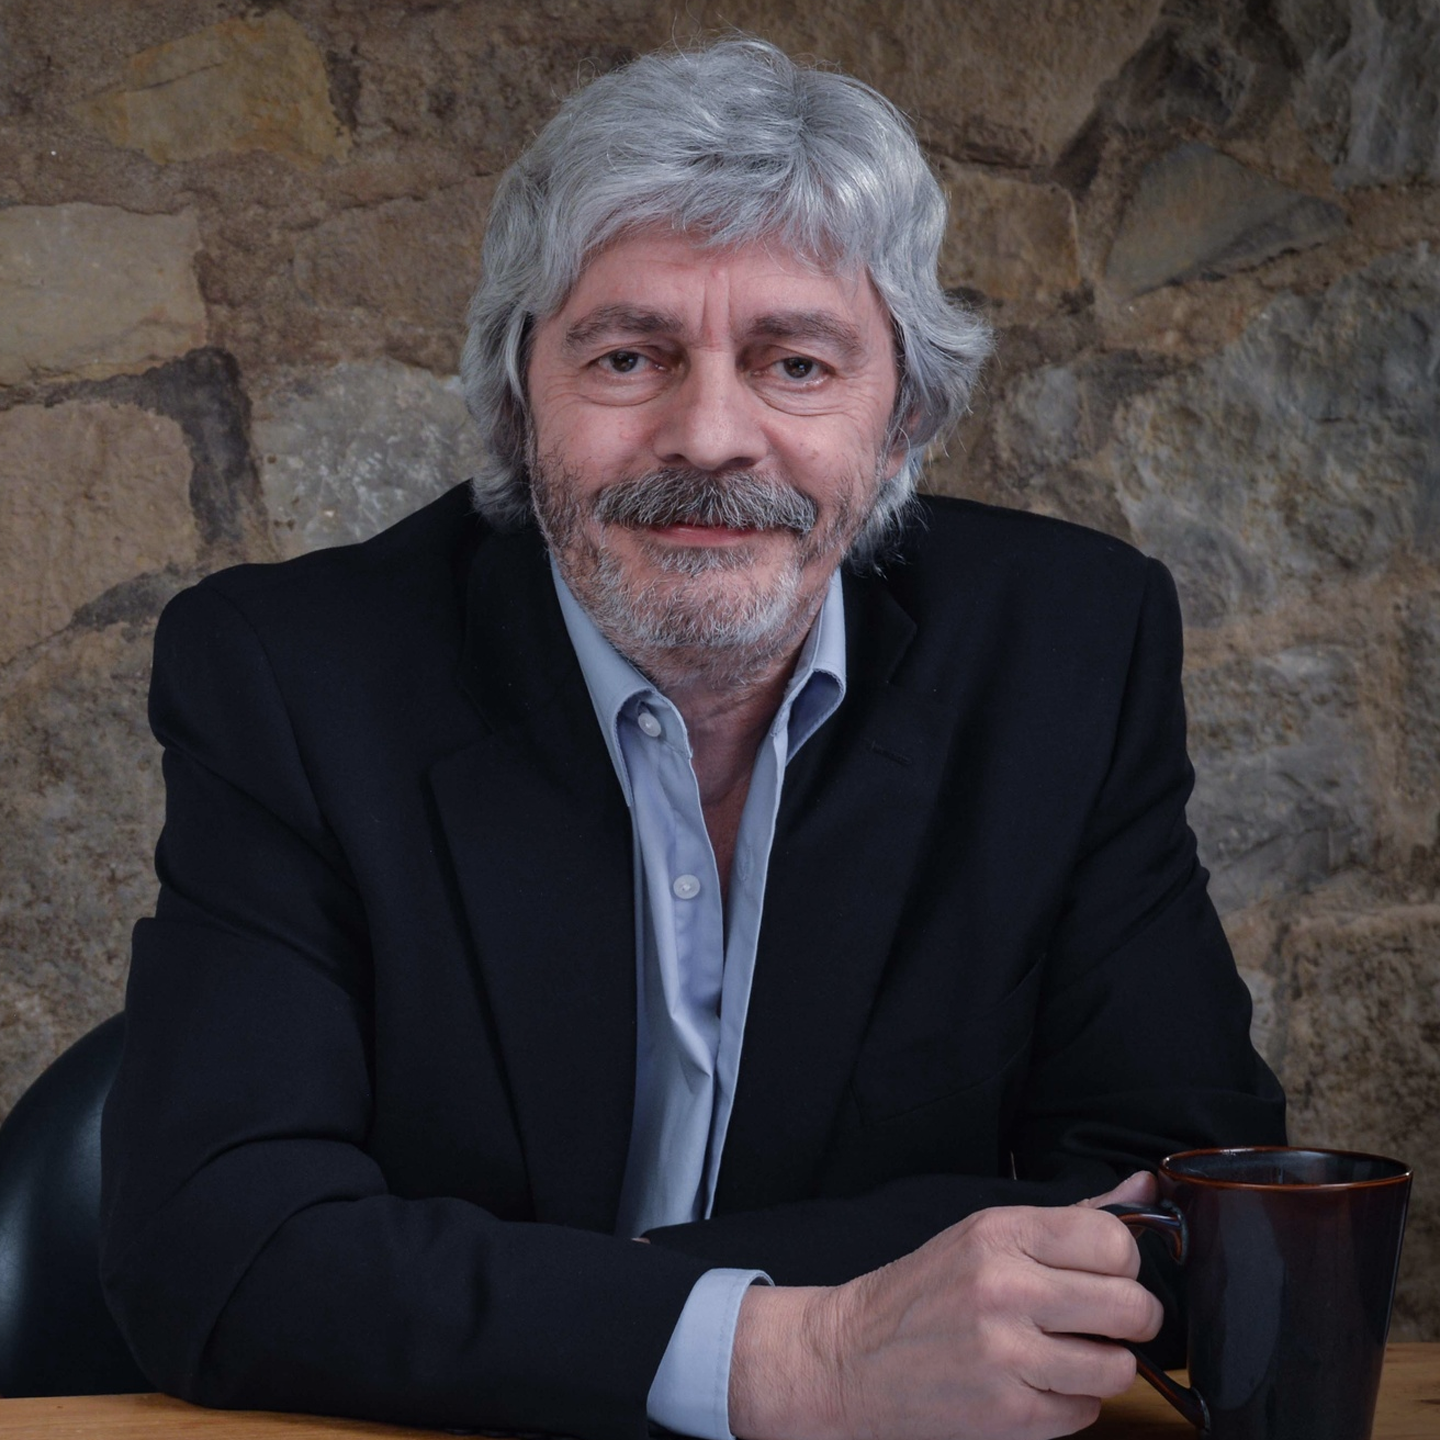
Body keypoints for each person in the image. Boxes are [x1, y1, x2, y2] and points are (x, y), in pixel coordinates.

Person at [100, 37, 1285, 1440]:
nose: (710, 434)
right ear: (515, 401)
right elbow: (220, 1249)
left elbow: (1185, 1201)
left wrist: (577, 1304)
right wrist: (799, 1354)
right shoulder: (293, 678)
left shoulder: (1068, 653)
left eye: (796, 362)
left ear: (903, 416)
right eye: (627, 356)